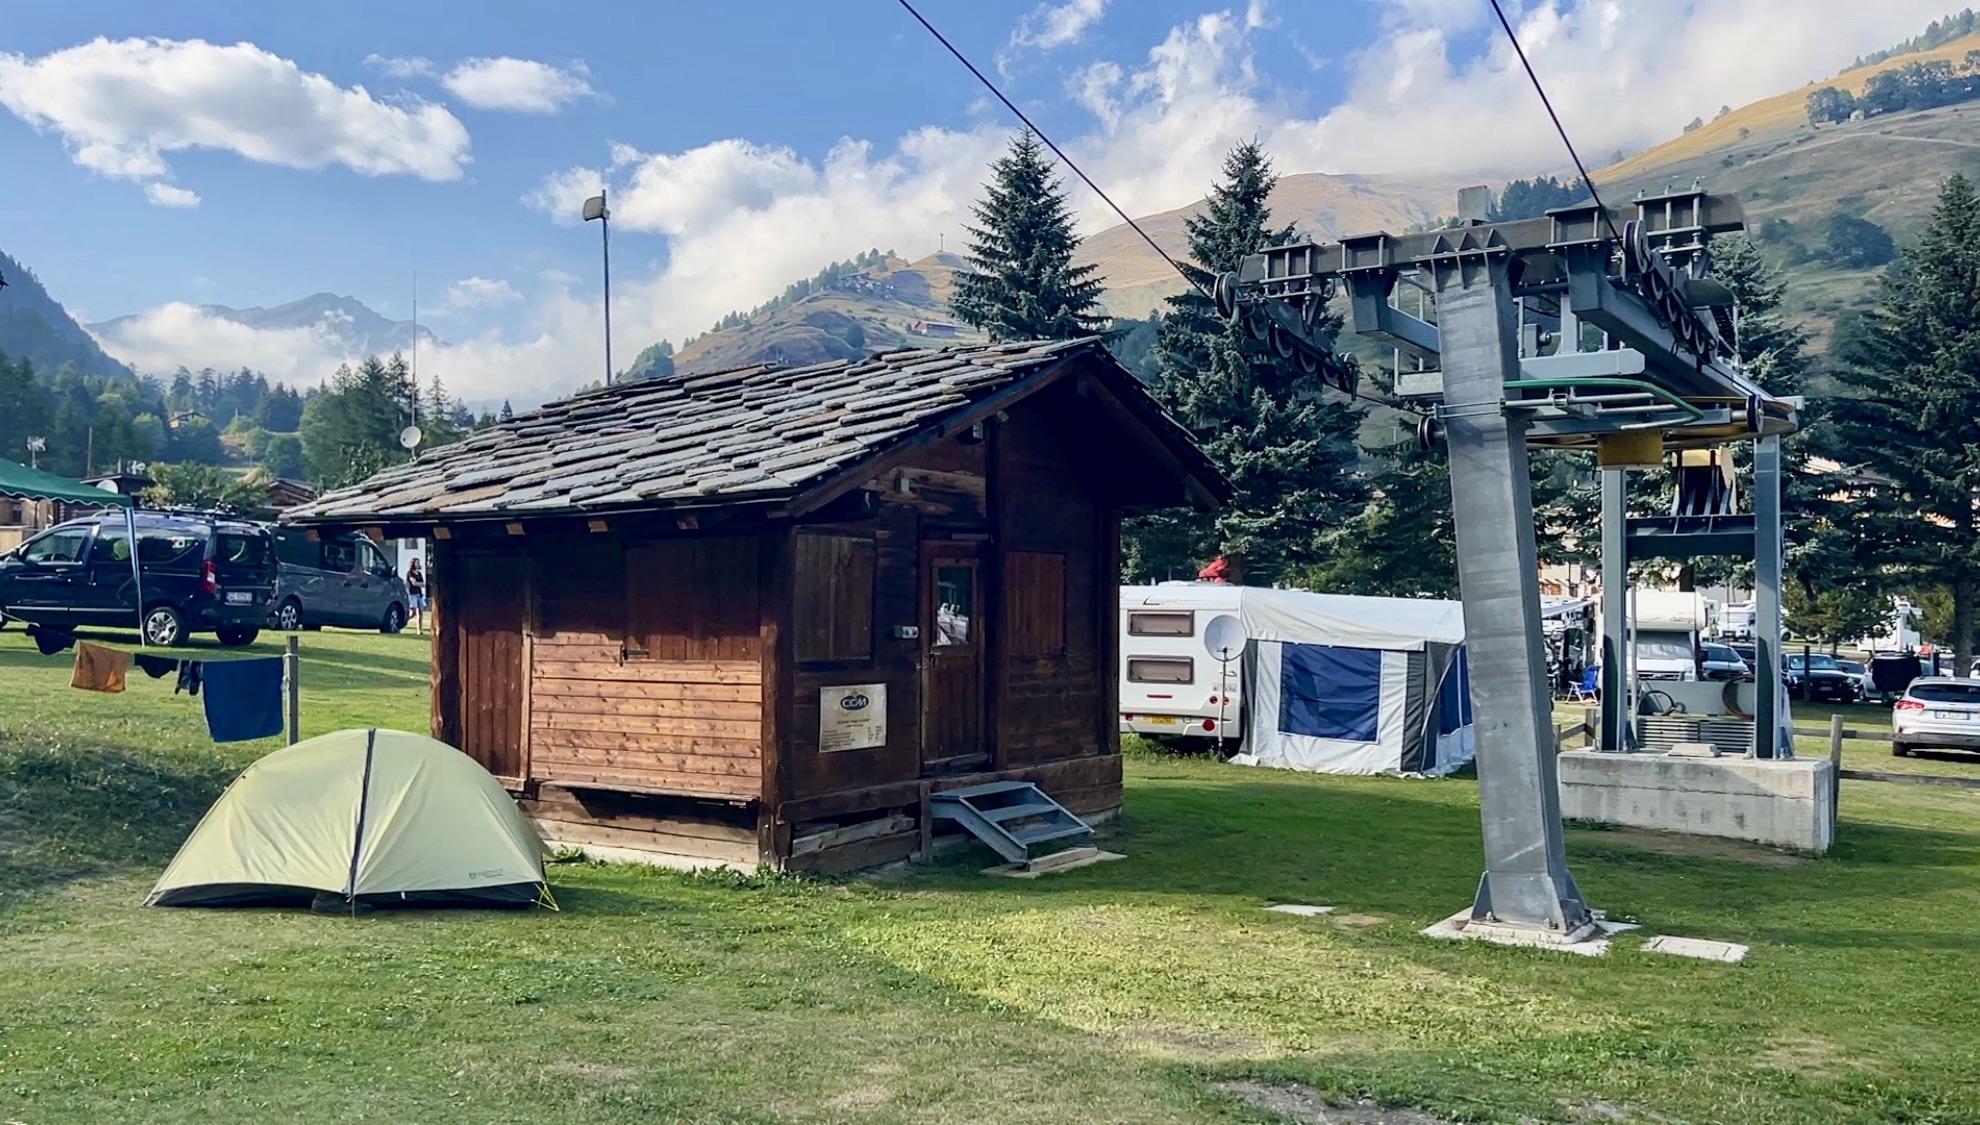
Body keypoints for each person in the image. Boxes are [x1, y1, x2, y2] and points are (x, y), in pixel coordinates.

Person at [405, 557, 428, 635]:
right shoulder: (409, 573)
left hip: (419, 594)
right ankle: (403, 622)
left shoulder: (419, 574)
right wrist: (419, 584)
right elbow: (413, 583)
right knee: (413, 612)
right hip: (412, 594)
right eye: (416, 563)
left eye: (418, 563)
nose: (418, 564)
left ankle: (419, 629)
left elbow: (423, 584)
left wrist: (418, 584)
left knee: (421, 611)